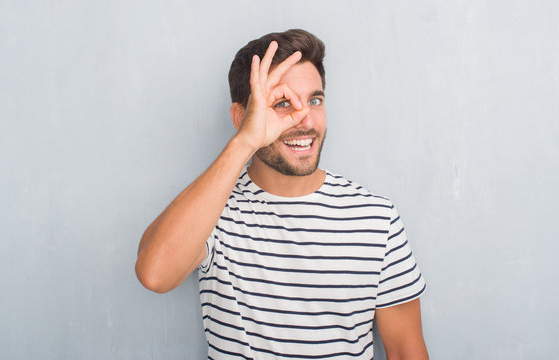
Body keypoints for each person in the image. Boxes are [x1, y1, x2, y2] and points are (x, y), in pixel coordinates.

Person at [135, 29, 428, 360]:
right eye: (282, 103)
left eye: (314, 100)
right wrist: (246, 141)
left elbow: (406, 350)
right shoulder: (212, 212)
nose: (304, 118)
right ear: (240, 117)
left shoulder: (377, 219)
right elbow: (154, 274)